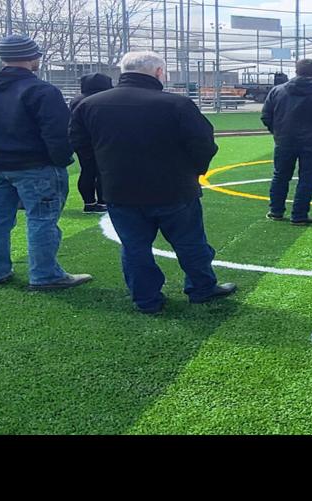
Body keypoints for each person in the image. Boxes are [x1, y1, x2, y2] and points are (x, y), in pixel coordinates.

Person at [71, 50, 235, 315]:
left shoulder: (90, 105)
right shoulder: (176, 104)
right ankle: (202, 289)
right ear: (159, 72)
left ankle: (146, 300)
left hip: (119, 189)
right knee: (190, 243)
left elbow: (81, 145)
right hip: (174, 189)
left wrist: (105, 171)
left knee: (135, 248)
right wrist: (192, 172)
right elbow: (204, 144)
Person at [0, 33, 89, 290]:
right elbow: (57, 132)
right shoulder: (41, 90)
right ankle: (45, 275)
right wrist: (61, 160)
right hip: (35, 166)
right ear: (33, 58)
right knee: (42, 219)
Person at [260, 58, 312, 226]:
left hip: (284, 141)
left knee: (280, 176)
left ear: (296, 71)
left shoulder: (277, 91)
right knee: (307, 179)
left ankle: (276, 211)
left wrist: (278, 132)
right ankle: (299, 215)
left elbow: (266, 116)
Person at [68, 72, 112, 213]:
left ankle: (89, 202)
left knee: (87, 171)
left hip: (81, 140)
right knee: (102, 172)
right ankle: (102, 202)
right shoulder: (106, 99)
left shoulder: (76, 100)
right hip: (102, 140)